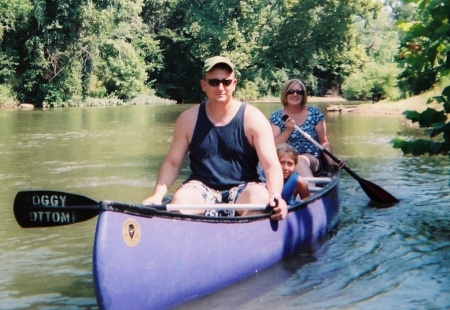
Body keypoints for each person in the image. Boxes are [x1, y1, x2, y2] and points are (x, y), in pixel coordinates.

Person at [142, 56, 288, 221]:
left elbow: (270, 166)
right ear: (203, 85)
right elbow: (172, 162)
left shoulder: (254, 119)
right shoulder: (187, 120)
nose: (220, 87)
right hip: (202, 188)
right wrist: (157, 195)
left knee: (259, 197)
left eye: (226, 82)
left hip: (244, 188)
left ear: (234, 84)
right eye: (214, 82)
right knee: (181, 199)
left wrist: (276, 195)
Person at [269, 79, 342, 178]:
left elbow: (324, 142)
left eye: (299, 92)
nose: (295, 94)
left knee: (299, 160)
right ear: (285, 94)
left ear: (303, 95)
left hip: (310, 159)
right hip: (285, 161)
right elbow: (273, 145)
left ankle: (310, 192)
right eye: (291, 91)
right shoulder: (276, 116)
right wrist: (288, 130)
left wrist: (332, 162)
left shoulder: (315, 113)